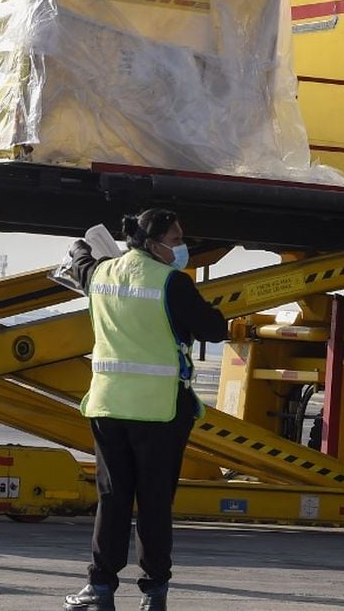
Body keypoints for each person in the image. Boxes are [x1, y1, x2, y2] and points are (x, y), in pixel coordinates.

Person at [63, 209, 227, 611]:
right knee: (154, 502)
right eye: (175, 240)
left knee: (112, 498)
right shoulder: (172, 283)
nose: (182, 248)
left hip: (108, 405)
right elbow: (214, 330)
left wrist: (81, 245)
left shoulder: (101, 274)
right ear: (153, 244)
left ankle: (100, 587)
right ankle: (155, 591)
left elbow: (81, 262)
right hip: (159, 410)